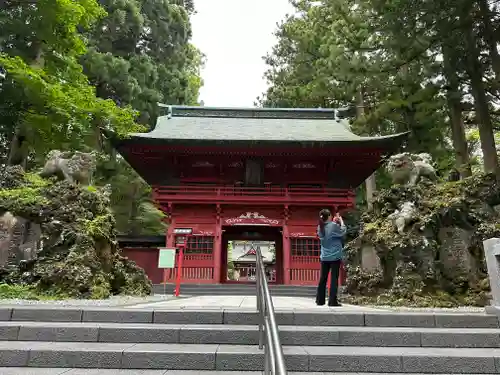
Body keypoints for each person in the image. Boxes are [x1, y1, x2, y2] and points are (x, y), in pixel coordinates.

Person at [316, 208, 346, 307]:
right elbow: (342, 231)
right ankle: (332, 301)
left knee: (323, 278)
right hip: (335, 256)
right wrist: (341, 221)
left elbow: (329, 231)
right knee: (334, 278)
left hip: (324, 256)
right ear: (329, 216)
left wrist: (334, 222)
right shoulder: (333, 226)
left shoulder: (320, 227)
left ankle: (320, 300)